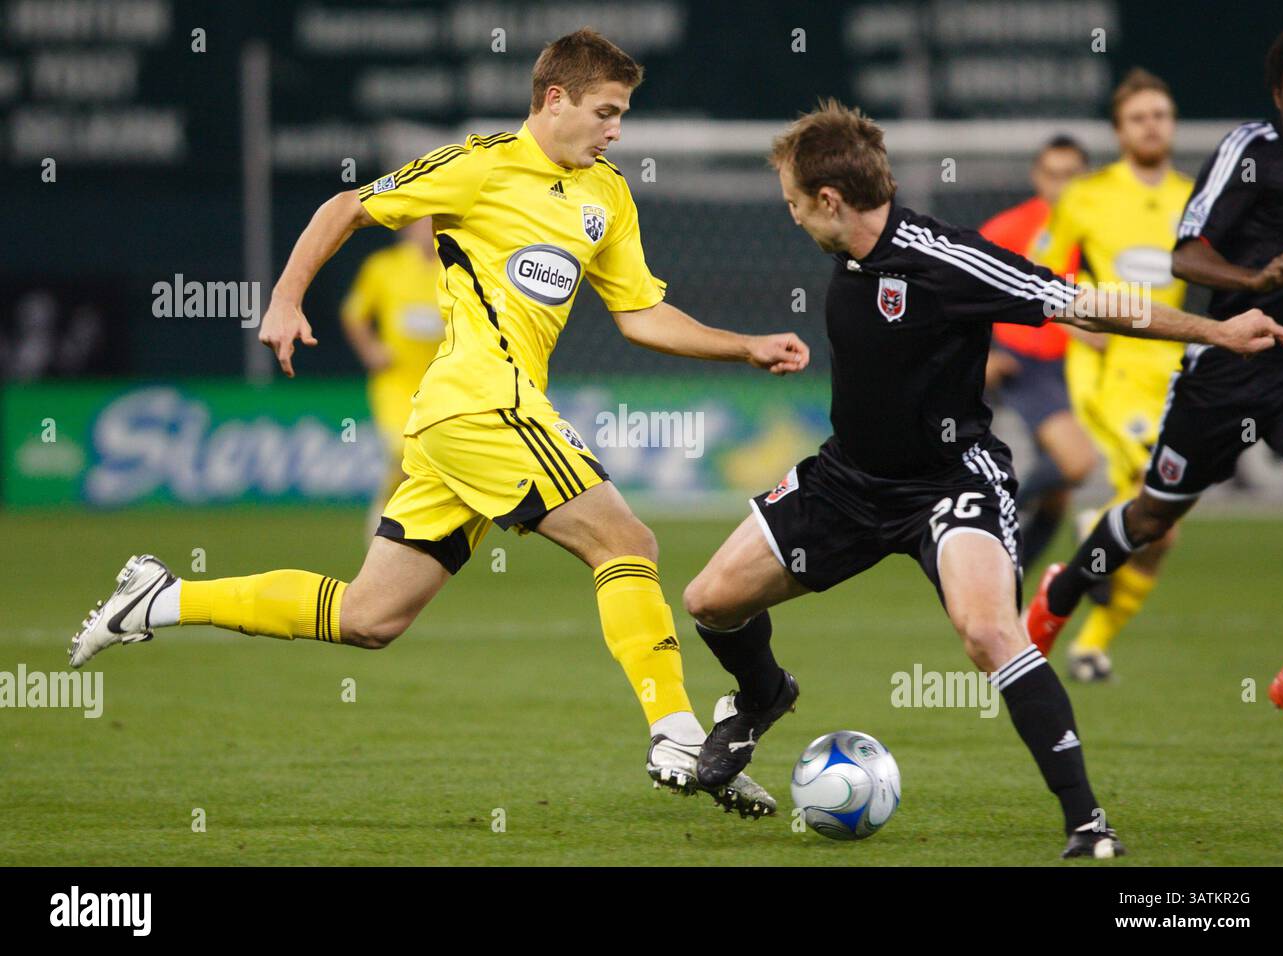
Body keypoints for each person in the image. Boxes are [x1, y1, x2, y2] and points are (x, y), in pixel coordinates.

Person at [69, 28, 811, 816]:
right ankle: (675, 730)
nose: (615, 129)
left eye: (621, 114)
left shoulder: (607, 194)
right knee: (628, 543)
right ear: (554, 99)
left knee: (369, 618)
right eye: (604, 111)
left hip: (466, 422)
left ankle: (160, 598)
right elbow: (348, 206)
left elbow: (640, 313)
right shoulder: (480, 165)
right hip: (481, 403)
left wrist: (744, 347)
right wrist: (284, 298)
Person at [679, 99, 1283, 857]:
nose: (793, 217)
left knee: (988, 632)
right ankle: (762, 696)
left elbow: (1086, 304)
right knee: (709, 601)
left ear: (832, 200)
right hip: (847, 479)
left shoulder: (945, 260)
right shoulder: (849, 252)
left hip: (949, 483)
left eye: (795, 203)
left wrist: (1217, 328)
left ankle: (1086, 823)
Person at [1025, 25, 1283, 741]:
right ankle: (1065, 590)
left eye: (1160, 115)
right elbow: (1185, 257)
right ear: (1277, 95)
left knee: (1152, 526)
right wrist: (1254, 281)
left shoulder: (1177, 180)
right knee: (1151, 520)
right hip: (1221, 372)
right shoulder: (1249, 154)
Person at [1032, 70, 1194, 682]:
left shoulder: (1193, 196)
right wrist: (1079, 326)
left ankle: (1090, 644)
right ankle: (1091, 531)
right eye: (1140, 116)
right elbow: (1037, 275)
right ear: (1120, 130)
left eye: (1162, 114)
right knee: (1154, 496)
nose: (1153, 124)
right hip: (1111, 369)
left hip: (1172, 370)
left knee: (1164, 527)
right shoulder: (1087, 196)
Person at [981, 135, 1096, 572]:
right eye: (1053, 174)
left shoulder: (1100, 230)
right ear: (1037, 177)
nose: (1062, 184)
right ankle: (997, 514)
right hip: (1030, 363)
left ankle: (1010, 577)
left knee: (1059, 493)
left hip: (1091, 369)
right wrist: (987, 352)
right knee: (1076, 462)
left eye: (1072, 174)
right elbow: (967, 294)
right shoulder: (1010, 229)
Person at [340, 219, 445, 537]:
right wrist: (370, 349)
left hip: (440, 382)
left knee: (433, 454)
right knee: (403, 448)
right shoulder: (383, 267)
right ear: (408, 228)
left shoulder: (454, 269)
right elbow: (354, 314)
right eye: (421, 224)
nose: (427, 231)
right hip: (396, 382)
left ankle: (414, 522)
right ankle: (384, 514)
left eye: (434, 224)